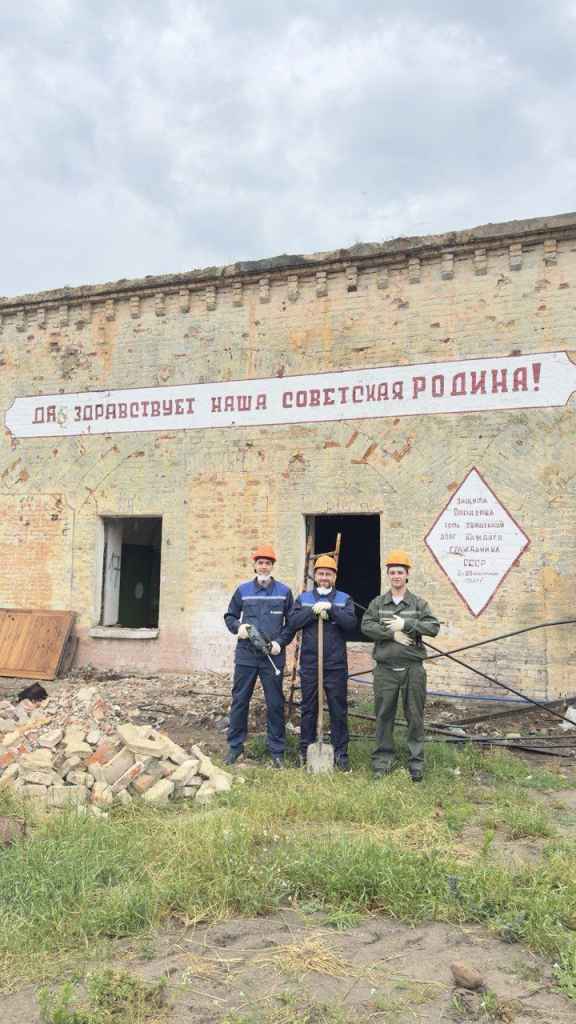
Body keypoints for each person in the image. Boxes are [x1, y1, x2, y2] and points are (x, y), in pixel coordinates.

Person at [361, 550, 440, 782]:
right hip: (385, 670)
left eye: (400, 572)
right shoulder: (378, 603)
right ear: (388, 575)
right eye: (392, 572)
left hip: (412, 670)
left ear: (407, 575)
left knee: (415, 716)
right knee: (384, 715)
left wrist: (406, 623)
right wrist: (391, 633)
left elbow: (433, 627)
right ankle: (382, 761)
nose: (396, 576)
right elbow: (366, 626)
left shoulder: (418, 603)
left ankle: (416, 763)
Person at [224, 544, 294, 767]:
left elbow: (291, 624)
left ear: (273, 566)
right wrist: (238, 628)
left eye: (268, 563)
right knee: (240, 700)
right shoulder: (243, 590)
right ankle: (235, 748)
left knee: (274, 703)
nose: (264, 566)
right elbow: (229, 616)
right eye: (260, 563)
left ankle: (277, 752)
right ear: (254, 566)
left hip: (271, 657)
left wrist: (279, 643)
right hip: (246, 655)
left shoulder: (284, 592)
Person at [288, 554, 357, 771]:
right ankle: (305, 750)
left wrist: (332, 609)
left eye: (328, 573)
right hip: (310, 662)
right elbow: (292, 622)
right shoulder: (304, 599)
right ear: (315, 576)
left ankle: (340, 754)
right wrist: (312, 611)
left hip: (335, 664)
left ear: (334, 577)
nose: (324, 577)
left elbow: (351, 624)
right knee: (308, 708)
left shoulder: (344, 599)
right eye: (321, 573)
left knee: (338, 709)